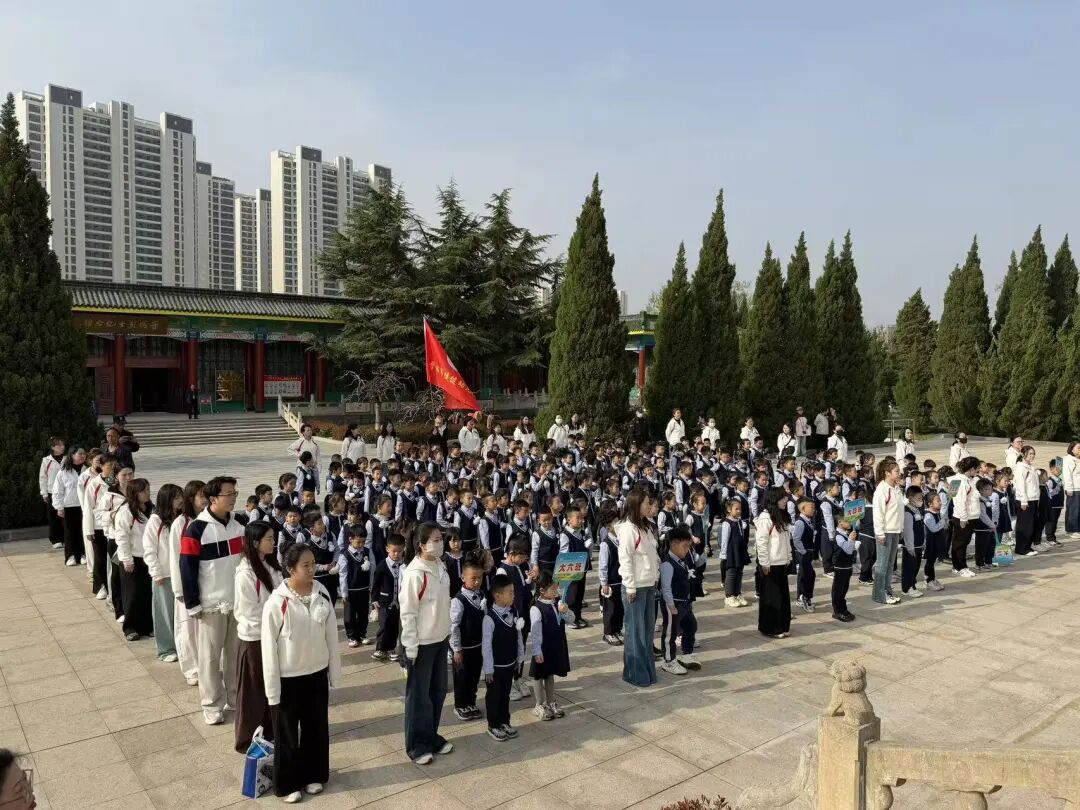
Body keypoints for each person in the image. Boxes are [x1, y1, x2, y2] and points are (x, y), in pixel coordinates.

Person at [262, 543, 341, 803]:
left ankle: (313, 774)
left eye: (313, 564)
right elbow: (268, 650)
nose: (311, 569)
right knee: (286, 733)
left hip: (316, 673)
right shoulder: (277, 603)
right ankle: (287, 783)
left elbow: (331, 637)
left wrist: (334, 674)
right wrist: (272, 690)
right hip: (288, 678)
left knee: (315, 727)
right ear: (290, 569)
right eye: (305, 565)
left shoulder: (322, 593)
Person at [180, 476, 244, 725]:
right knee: (209, 658)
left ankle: (235, 697)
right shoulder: (196, 529)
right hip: (211, 605)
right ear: (213, 498)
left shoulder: (239, 524)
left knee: (235, 655)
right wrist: (193, 603)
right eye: (229, 494)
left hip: (238, 602)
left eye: (235, 493)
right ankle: (212, 704)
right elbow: (187, 568)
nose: (234, 497)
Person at [400, 522, 454, 765]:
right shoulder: (415, 574)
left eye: (441, 539)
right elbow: (408, 613)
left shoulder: (440, 565)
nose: (440, 543)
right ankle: (417, 745)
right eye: (434, 540)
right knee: (419, 697)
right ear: (421, 545)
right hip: (422, 643)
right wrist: (410, 646)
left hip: (440, 638)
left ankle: (431, 736)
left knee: (438, 691)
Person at [234, 520, 283, 753]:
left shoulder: (270, 564)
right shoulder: (246, 573)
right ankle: (247, 739)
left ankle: (271, 732)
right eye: (269, 539)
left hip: (274, 635)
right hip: (255, 639)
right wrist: (273, 623)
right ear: (255, 543)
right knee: (253, 693)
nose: (274, 543)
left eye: (274, 538)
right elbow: (249, 612)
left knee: (271, 687)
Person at [616, 487, 660, 687]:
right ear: (636, 505)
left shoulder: (645, 526)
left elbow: (653, 555)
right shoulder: (627, 529)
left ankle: (647, 671)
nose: (649, 506)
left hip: (649, 585)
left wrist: (656, 576)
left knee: (648, 632)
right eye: (646, 503)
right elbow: (625, 559)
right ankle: (634, 673)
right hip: (635, 588)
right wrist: (630, 587)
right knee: (635, 632)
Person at [170, 480, 206, 686]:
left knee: (203, 629)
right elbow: (176, 558)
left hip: (205, 583)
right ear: (191, 498)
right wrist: (179, 589)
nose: (205, 500)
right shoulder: (180, 524)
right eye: (201, 496)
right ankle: (191, 668)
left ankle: (206, 665)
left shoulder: (207, 519)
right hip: (186, 585)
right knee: (187, 630)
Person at [481, 573, 525, 741]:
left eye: (513, 592)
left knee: (505, 695)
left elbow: (518, 636)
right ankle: (493, 725)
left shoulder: (514, 611)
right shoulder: (489, 619)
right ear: (498, 596)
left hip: (510, 663)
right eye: (510, 593)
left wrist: (519, 658)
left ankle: (504, 721)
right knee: (494, 696)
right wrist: (488, 669)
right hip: (495, 667)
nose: (513, 595)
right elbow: (486, 647)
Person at [142, 483, 183, 663]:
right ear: (167, 500)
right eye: (176, 497)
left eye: (181, 496)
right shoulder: (155, 521)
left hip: (181, 573)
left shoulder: (181, 519)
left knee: (181, 613)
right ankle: (166, 649)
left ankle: (182, 646)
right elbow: (149, 549)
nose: (180, 500)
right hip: (164, 575)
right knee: (164, 613)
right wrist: (156, 573)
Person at [114, 477, 154, 641]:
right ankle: (130, 627)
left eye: (148, 490)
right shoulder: (126, 512)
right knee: (132, 594)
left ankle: (147, 626)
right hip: (133, 559)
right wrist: (127, 560)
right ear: (134, 493)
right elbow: (121, 537)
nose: (147, 493)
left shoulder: (151, 509)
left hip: (148, 558)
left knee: (147, 593)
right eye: (143, 491)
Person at [450, 552, 487, 721]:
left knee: (473, 676)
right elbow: (454, 626)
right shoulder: (459, 600)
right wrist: (457, 649)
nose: (477, 581)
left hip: (477, 645)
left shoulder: (481, 595)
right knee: (461, 678)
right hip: (463, 648)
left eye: (480, 578)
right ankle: (460, 705)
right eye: (473, 578)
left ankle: (471, 702)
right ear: (463, 577)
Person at [529, 570, 570, 720]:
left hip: (555, 646)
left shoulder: (557, 603)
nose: (556, 590)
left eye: (556, 587)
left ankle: (551, 702)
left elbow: (571, 619)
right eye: (552, 588)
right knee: (539, 676)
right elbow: (535, 632)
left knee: (550, 674)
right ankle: (539, 705)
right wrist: (537, 651)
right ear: (542, 590)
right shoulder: (536, 608)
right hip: (542, 648)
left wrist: (565, 611)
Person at [659, 527, 700, 674]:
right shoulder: (667, 564)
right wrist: (671, 606)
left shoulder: (682, 560)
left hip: (684, 603)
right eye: (685, 546)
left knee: (691, 626)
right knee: (670, 633)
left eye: (689, 546)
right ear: (674, 544)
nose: (687, 550)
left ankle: (687, 654)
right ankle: (669, 661)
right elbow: (665, 587)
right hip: (674, 604)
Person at [755, 488, 793, 638]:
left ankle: (783, 625)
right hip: (771, 564)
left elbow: (786, 541)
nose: (785, 501)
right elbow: (761, 543)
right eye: (782, 498)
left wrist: (789, 557)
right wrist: (764, 563)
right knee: (772, 598)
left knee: (783, 597)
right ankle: (770, 628)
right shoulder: (765, 519)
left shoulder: (781, 516)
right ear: (774, 499)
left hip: (782, 562)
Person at [871, 460, 904, 605]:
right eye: (896, 471)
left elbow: (899, 509)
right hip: (885, 532)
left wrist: (900, 528)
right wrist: (880, 533)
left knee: (890, 564)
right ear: (887, 473)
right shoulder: (881, 490)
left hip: (895, 530)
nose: (899, 473)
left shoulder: (896, 488)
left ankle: (887, 590)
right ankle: (879, 594)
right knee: (882, 564)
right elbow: (878, 513)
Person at [371, 534, 406, 661]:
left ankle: (391, 648)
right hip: (385, 601)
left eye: (400, 551)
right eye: (394, 551)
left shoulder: (405, 565)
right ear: (387, 549)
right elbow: (376, 584)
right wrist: (374, 599)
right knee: (384, 625)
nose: (397, 554)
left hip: (400, 602)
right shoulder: (382, 565)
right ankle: (380, 648)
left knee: (394, 626)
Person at [339, 524, 374, 647]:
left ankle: (362, 634)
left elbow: (372, 570)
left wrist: (371, 586)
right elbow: (343, 574)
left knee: (363, 614)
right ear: (350, 539)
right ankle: (351, 636)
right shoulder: (345, 555)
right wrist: (344, 593)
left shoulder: (368, 552)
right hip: (351, 590)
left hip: (364, 589)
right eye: (358, 542)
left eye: (363, 542)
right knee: (350, 615)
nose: (361, 545)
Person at [51, 446, 86, 566]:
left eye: (84, 454)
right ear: (72, 455)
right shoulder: (63, 472)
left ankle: (83, 554)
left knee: (82, 530)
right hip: (69, 506)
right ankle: (70, 556)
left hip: (84, 506)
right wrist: (59, 507)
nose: (82, 456)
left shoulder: (87, 470)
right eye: (80, 453)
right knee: (69, 532)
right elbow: (57, 490)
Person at [948, 457, 981, 578]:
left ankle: (962, 566)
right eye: (977, 469)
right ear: (971, 469)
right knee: (959, 543)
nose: (977, 472)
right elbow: (958, 501)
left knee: (963, 542)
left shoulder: (967, 479)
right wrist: (963, 518)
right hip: (962, 517)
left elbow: (951, 495)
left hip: (970, 516)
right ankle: (959, 567)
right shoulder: (959, 480)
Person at [1013, 445, 1040, 557]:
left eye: (1033, 453)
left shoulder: (1031, 467)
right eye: (1030, 454)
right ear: (1023, 455)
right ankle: (1021, 548)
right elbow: (1020, 485)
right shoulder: (1021, 468)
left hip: (1033, 498)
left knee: (1031, 524)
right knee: (1025, 525)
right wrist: (1024, 501)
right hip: (1025, 500)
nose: (1032, 456)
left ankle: (1027, 546)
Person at [39, 436, 66, 550]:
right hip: (52, 492)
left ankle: (66, 538)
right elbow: (43, 477)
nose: (62, 447)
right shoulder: (46, 460)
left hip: (66, 491)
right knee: (53, 516)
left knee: (65, 516)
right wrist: (44, 493)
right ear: (52, 447)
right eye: (59, 445)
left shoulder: (67, 459)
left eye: (63, 444)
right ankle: (56, 539)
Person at [1063, 442, 1080, 539]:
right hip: (1073, 489)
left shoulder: (1078, 459)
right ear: (1072, 449)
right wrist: (1069, 488)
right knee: (1073, 510)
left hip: (1079, 488)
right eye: (1079, 448)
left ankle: (1077, 528)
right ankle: (1071, 530)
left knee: (1078, 510)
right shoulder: (1068, 460)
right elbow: (1067, 475)